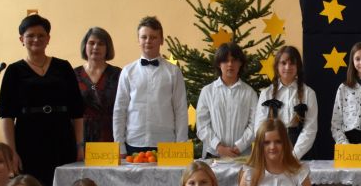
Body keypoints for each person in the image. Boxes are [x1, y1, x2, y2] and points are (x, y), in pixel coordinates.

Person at [0, 14, 84, 186]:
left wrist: (79, 144)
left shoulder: (63, 67)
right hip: (28, 139)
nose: (36, 39)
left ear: (48, 38)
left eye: (41, 35)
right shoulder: (13, 71)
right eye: (30, 35)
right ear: (21, 39)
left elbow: (77, 112)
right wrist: (12, 151)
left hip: (62, 138)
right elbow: (6, 115)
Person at [112, 16, 188, 154]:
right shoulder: (128, 71)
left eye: (153, 37)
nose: (148, 41)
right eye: (144, 37)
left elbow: (180, 110)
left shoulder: (173, 72)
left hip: (166, 142)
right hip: (133, 142)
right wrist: (119, 146)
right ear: (138, 40)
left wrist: (181, 145)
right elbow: (120, 110)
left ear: (161, 40)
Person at [255, 46, 318, 160]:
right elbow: (260, 128)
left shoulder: (309, 93)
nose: (287, 67)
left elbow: (310, 128)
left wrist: (294, 156)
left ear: (298, 66)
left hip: (301, 152)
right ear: (277, 66)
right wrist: (271, 150)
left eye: (292, 63)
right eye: (283, 63)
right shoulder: (266, 94)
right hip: (272, 149)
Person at [196, 42, 258, 158]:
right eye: (225, 61)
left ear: (240, 63)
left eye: (234, 60)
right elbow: (202, 125)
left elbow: (254, 124)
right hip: (213, 155)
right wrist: (219, 147)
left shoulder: (250, 93)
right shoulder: (207, 91)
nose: (230, 64)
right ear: (219, 64)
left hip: (241, 156)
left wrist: (240, 146)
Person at [74, 26, 121, 144]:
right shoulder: (73, 75)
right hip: (81, 137)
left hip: (110, 136)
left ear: (107, 48)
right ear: (85, 46)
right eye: (91, 43)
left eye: (101, 44)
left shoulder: (118, 74)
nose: (95, 47)